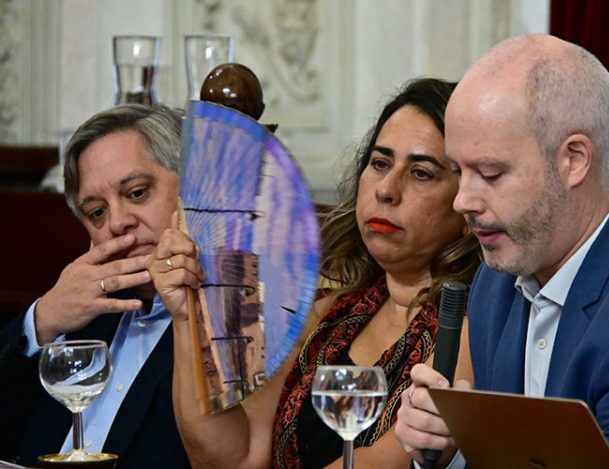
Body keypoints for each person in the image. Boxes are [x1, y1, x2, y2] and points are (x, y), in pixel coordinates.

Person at [395, 34, 609, 468]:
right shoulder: (497, 280)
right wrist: (449, 452)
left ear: (574, 160)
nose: (461, 200)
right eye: (457, 171)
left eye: (489, 173)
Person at [148, 77, 483, 468]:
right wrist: (189, 315)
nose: (386, 189)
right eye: (380, 163)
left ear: (468, 205)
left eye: (421, 172)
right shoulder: (326, 314)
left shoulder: (469, 328)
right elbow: (234, 458)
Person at [0, 104, 190, 468]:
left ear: (190, 187)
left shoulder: (229, 318)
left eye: (136, 193)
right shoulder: (76, 313)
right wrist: (42, 319)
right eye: (97, 212)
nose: (117, 223)